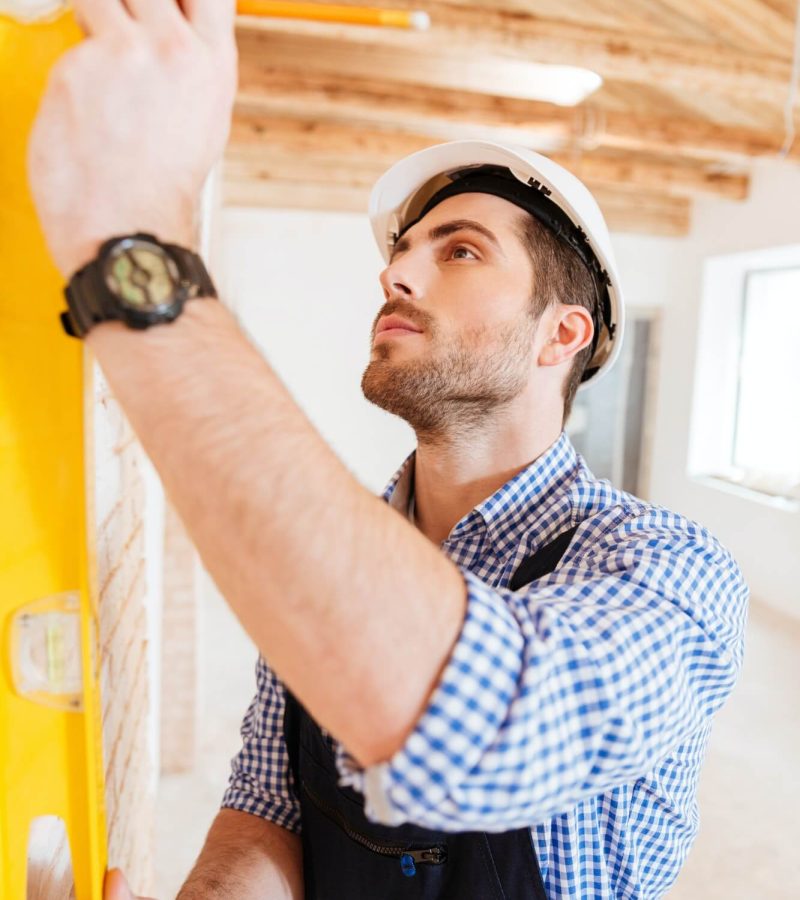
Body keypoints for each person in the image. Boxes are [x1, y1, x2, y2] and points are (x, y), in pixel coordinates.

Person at [28, 2, 748, 898]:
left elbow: (487, 727)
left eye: (460, 251)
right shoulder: (340, 552)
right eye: (404, 250)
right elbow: (269, 806)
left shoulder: (669, 568)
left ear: (560, 335)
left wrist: (138, 255)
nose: (395, 273)